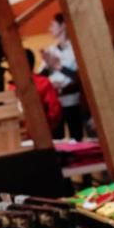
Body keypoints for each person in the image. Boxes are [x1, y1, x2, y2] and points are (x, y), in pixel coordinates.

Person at [40, 13, 85, 141]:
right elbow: (41, 77)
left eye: (52, 25)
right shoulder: (51, 50)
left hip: (73, 100)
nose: (50, 29)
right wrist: (49, 66)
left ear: (63, 25)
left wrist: (59, 66)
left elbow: (81, 77)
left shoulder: (75, 48)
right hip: (55, 102)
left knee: (77, 138)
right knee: (56, 139)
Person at [21, 48, 62, 136]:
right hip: (45, 132)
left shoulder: (12, 88)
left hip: (26, 135)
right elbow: (55, 111)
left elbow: (54, 110)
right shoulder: (43, 82)